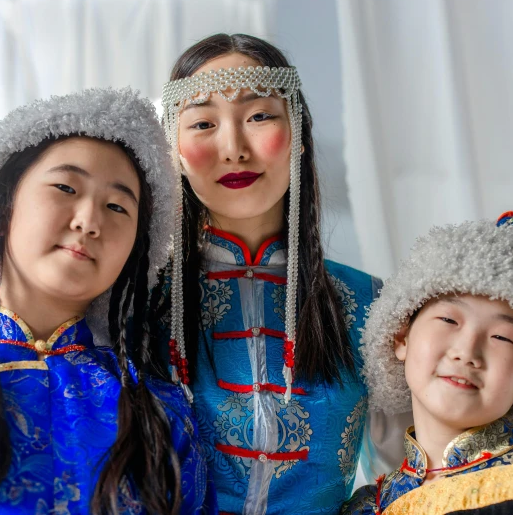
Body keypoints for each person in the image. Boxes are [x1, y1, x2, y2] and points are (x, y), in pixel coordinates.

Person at [0, 88, 213, 514]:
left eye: (118, 207)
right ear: (1, 206)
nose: (89, 220)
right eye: (66, 186)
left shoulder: (161, 414)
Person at [151, 33, 403, 514]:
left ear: (300, 135)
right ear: (174, 151)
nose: (233, 148)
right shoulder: (136, 300)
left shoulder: (373, 303)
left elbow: (411, 472)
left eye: (259, 116)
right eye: (202, 122)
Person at [342, 212, 513, 514]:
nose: (467, 351)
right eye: (448, 319)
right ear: (401, 337)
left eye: (501, 337)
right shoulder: (367, 508)